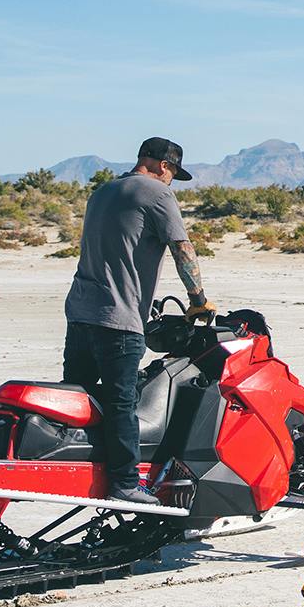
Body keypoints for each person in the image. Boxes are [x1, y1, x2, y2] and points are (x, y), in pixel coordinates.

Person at [62, 137, 210, 491]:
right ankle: (126, 484)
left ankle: (70, 470)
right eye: (173, 172)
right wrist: (198, 298)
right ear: (163, 165)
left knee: (78, 399)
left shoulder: (103, 192)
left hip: (80, 312)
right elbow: (181, 248)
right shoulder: (158, 194)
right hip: (119, 318)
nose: (172, 179)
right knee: (121, 403)